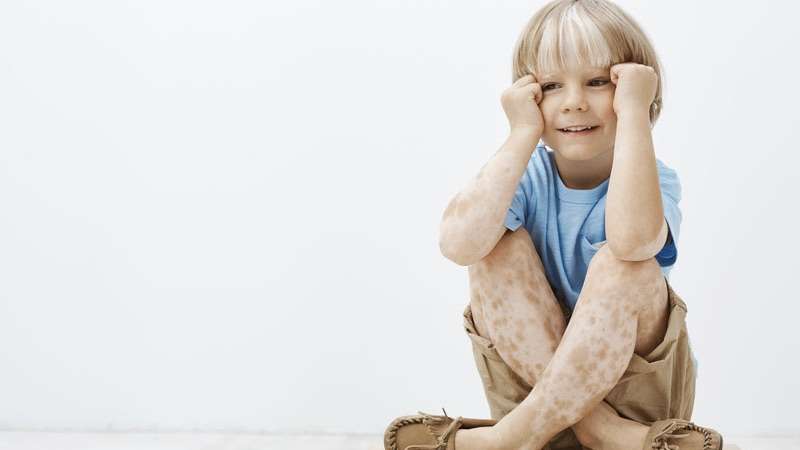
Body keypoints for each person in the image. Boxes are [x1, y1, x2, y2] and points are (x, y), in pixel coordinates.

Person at [383, 1, 724, 449]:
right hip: (554, 408)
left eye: (599, 82)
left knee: (626, 263)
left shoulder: (655, 181)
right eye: (550, 85)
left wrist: (636, 116)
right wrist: (521, 134)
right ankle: (595, 432)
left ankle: (507, 440)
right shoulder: (526, 179)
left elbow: (633, 240)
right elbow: (458, 245)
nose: (575, 101)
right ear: (527, 96)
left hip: (638, 405)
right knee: (493, 247)